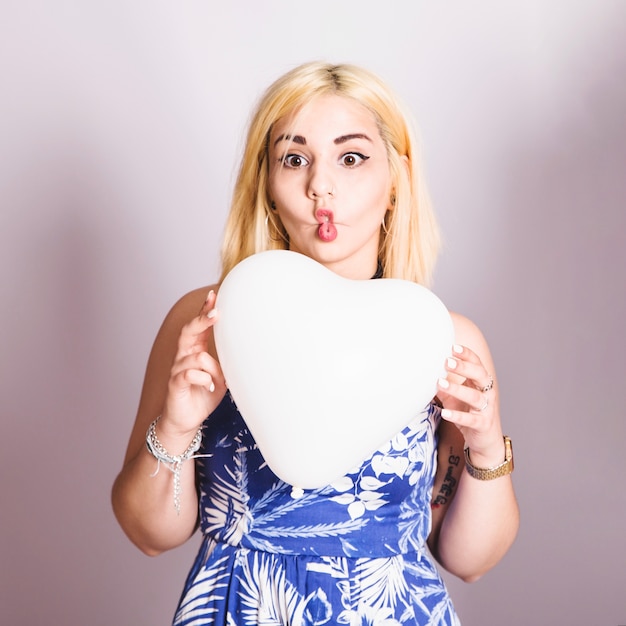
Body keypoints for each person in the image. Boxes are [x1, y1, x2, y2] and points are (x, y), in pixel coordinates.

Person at [112, 61, 519, 625]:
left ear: (396, 177)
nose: (319, 185)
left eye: (350, 157)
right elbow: (149, 535)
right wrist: (177, 426)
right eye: (294, 158)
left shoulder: (440, 340)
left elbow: (469, 561)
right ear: (268, 184)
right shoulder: (209, 320)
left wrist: (485, 442)